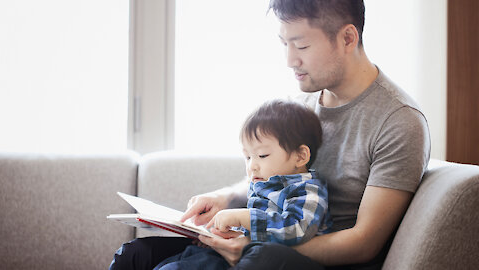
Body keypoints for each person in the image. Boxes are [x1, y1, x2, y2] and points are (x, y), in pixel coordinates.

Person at [110, 0, 430, 269]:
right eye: (284, 44)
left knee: (260, 259)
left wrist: (249, 249)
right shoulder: (301, 103)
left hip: (312, 259)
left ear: (348, 38)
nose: (290, 60)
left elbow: (364, 243)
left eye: (301, 45)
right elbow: (273, 179)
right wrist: (226, 197)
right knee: (136, 256)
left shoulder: (398, 121)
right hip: (262, 244)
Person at [152, 99, 332, 269]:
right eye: (247, 157)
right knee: (170, 261)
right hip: (235, 254)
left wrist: (244, 217)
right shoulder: (263, 184)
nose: (252, 166)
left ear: (300, 156)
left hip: (275, 262)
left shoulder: (308, 190)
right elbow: (252, 230)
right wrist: (219, 234)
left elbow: (296, 229)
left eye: (262, 155)